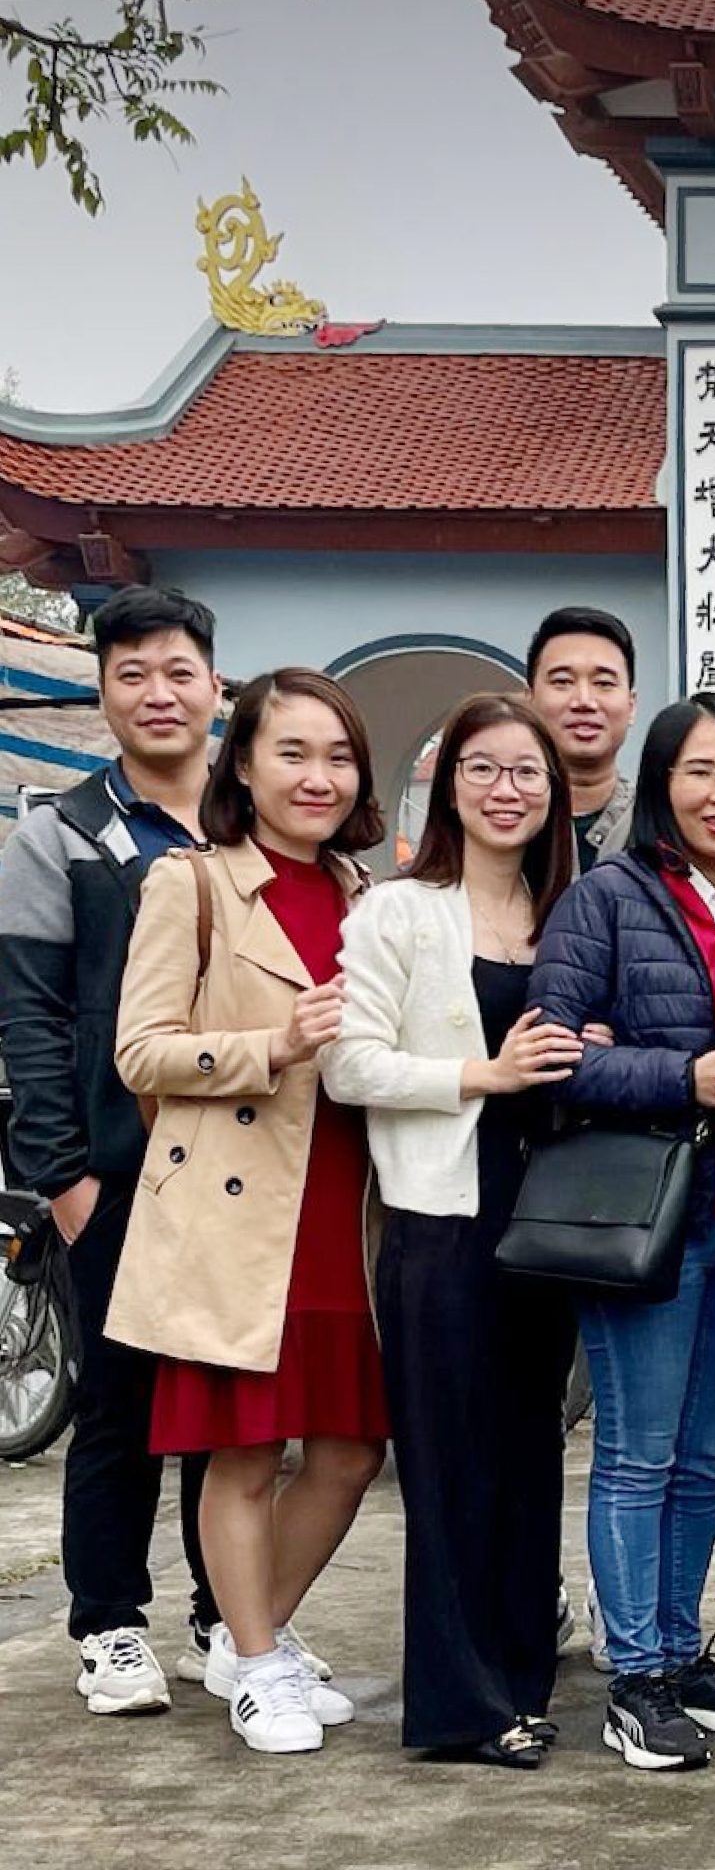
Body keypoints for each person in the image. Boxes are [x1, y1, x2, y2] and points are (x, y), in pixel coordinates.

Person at [107, 667, 393, 1756]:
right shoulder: (192, 883)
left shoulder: (367, 892)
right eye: (293, 753)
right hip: (241, 1210)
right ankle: (262, 1662)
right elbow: (141, 1049)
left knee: (351, 1449)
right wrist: (271, 1045)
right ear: (245, 765)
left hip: (348, 1206)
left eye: (339, 756)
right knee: (243, 1450)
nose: (319, 777)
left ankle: (246, 1638)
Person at [531, 691, 715, 1771]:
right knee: (639, 1452)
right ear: (661, 787)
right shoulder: (605, 896)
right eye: (700, 772)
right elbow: (550, 1057)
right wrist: (683, 1075)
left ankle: (679, 1652)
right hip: (645, 1215)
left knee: (709, 1450)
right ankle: (634, 1676)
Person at [326, 694, 585, 1766]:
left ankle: (520, 1680)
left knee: (530, 1454)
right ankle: (458, 1707)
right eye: (482, 768)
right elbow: (348, 1064)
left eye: (527, 771)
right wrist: (484, 1073)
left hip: (551, 1219)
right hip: (442, 1220)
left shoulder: (567, 908)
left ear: (554, 792)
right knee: (447, 1464)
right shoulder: (399, 911)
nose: (505, 789)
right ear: (447, 783)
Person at [0, 588, 224, 1719]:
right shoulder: (61, 835)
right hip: (119, 1173)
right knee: (121, 1404)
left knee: (234, 1405)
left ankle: (228, 1615)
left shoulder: (253, 821)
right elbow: (29, 1017)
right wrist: (65, 1176)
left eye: (178, 671)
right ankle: (109, 1623)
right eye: (132, 674)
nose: (158, 694)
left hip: (241, 1169)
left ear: (215, 687)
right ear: (104, 693)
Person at [525, 607, 641, 872]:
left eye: (604, 683)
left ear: (631, 705)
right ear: (529, 702)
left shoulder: (661, 827)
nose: (584, 701)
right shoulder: (499, 822)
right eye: (563, 682)